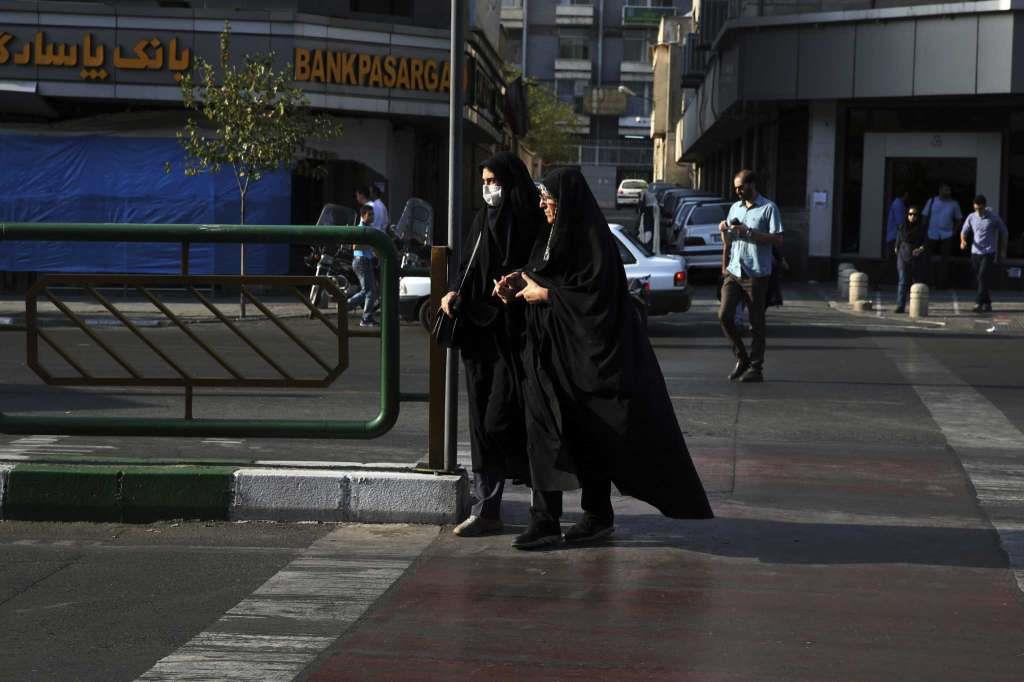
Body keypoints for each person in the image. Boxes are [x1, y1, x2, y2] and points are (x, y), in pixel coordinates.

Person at [505, 166, 713, 549]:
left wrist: (547, 296)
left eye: (548, 198)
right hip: (547, 360)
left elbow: (595, 301)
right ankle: (545, 520)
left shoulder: (592, 246)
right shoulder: (548, 237)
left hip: (586, 365)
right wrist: (517, 285)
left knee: (590, 436)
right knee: (544, 436)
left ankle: (596, 516)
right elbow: (542, 278)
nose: (543, 205)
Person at [440, 152, 578, 541]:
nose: (488, 189)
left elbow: (542, 270)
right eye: (483, 182)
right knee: (483, 424)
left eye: (493, 182)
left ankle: (544, 513)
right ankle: (488, 510)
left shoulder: (531, 222)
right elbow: (467, 264)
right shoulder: (482, 220)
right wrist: (453, 291)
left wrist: (517, 286)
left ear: (510, 182)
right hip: (479, 337)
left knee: (515, 420)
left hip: (519, 338)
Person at [718, 169, 784, 383]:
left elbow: (778, 240)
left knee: (756, 323)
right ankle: (742, 358)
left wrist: (748, 232)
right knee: (724, 315)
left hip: (756, 274)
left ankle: (756, 368)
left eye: (741, 187)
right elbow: (728, 241)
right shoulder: (734, 207)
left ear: (752, 185)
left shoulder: (768, 208)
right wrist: (723, 233)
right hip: (734, 271)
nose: (737, 191)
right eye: (735, 187)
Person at [960, 194, 1008, 313]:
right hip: (975, 252)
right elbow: (963, 231)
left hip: (988, 252)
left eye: (980, 209)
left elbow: (1004, 232)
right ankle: (988, 303)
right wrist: (963, 241)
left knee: (982, 276)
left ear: (985, 206)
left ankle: (978, 302)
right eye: (976, 209)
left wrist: (1002, 250)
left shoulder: (993, 217)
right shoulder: (971, 217)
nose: (978, 211)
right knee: (981, 279)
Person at [922, 183, 963, 289]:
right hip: (931, 233)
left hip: (947, 234)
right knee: (927, 259)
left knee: (945, 261)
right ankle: (927, 283)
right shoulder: (931, 201)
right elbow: (925, 216)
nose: (947, 192)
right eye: (945, 190)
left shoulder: (954, 204)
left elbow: (958, 219)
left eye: (949, 190)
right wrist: (923, 231)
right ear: (940, 190)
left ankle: (942, 284)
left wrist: (954, 231)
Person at [347, 203, 379, 327]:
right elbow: (355, 246)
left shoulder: (368, 229)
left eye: (373, 214)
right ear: (363, 215)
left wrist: (378, 255)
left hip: (366, 261)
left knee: (372, 290)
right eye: (369, 215)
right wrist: (371, 244)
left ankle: (366, 317)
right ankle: (348, 306)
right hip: (361, 261)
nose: (372, 217)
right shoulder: (360, 228)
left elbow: (373, 246)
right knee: (369, 291)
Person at [892, 205, 927, 314]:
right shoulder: (902, 226)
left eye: (915, 215)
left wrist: (920, 250)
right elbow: (898, 241)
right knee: (902, 281)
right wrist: (897, 248)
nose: (912, 216)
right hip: (903, 257)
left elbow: (925, 243)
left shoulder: (921, 229)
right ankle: (900, 306)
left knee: (915, 282)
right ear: (907, 215)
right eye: (910, 214)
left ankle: (915, 305)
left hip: (915, 257)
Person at [886, 187, 909, 282]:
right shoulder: (899, 205)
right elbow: (900, 223)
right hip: (895, 237)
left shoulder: (897, 203)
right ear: (905, 194)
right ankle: (876, 281)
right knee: (896, 260)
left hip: (893, 236)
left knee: (892, 261)